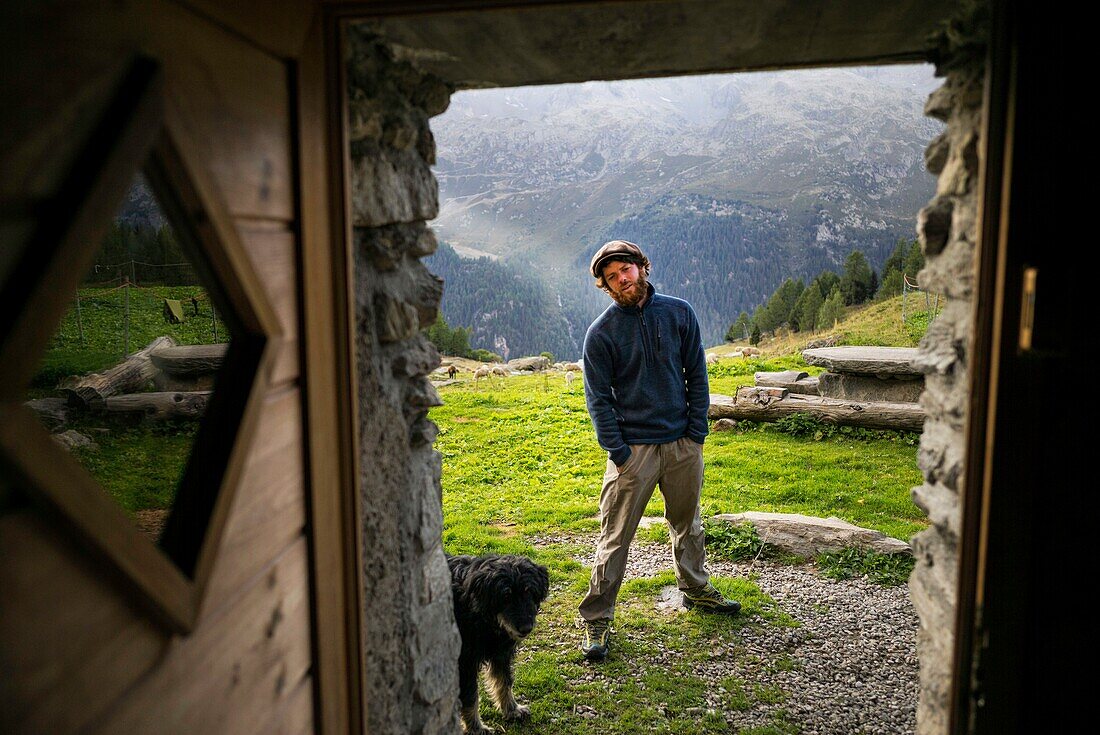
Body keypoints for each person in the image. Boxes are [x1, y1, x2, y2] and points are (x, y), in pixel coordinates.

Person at [579, 239, 739, 662]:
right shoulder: (601, 334)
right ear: (606, 286)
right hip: (635, 451)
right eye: (611, 277)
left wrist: (696, 432)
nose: (621, 279)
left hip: (682, 443)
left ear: (641, 267)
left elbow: (696, 373)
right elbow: (598, 399)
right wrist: (619, 452)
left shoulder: (679, 312)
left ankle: (696, 589)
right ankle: (597, 617)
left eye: (625, 270)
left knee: (687, 522)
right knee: (615, 536)